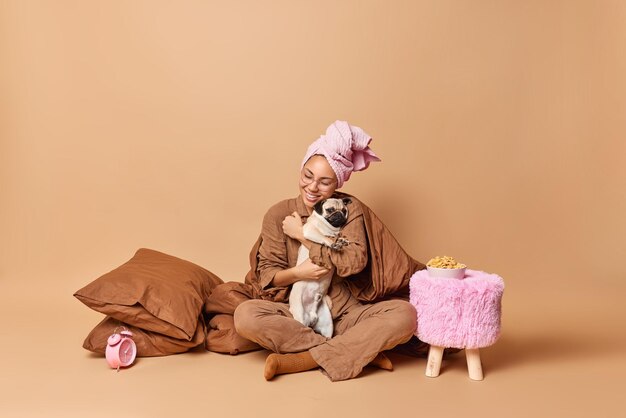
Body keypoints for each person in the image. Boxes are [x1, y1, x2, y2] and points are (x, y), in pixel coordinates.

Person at [233, 120, 422, 382]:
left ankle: (303, 359)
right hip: (297, 313)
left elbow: (354, 262)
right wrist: (300, 273)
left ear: (337, 183)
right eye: (307, 176)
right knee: (245, 316)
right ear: (301, 169)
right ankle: (357, 349)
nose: (312, 187)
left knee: (406, 316)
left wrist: (303, 236)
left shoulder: (348, 209)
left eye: (324, 182)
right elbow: (268, 275)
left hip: (347, 314)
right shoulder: (279, 214)